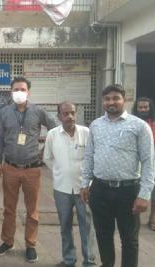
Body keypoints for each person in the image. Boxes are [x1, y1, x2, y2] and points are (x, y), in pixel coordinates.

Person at [81, 84, 155, 267]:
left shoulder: (139, 126)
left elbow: (148, 162)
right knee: (103, 235)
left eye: (115, 98)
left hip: (128, 191)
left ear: (124, 100)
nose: (111, 102)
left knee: (129, 239)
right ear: (103, 102)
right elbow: (89, 156)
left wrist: (144, 195)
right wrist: (85, 183)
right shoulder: (96, 125)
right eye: (107, 99)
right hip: (99, 190)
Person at [0, 76, 56, 263]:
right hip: (10, 167)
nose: (19, 92)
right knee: (9, 209)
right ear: (11, 92)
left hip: (32, 169)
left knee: (32, 210)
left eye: (22, 89)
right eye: (16, 89)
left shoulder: (38, 111)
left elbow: (54, 130)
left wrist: (45, 152)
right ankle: (7, 241)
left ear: (28, 91)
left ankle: (30, 244)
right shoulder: (5, 112)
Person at [43, 101, 97, 267]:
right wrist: (60, 172)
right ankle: (69, 260)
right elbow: (47, 158)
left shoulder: (87, 132)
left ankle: (89, 261)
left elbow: (94, 157)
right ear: (59, 116)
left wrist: (88, 182)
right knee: (65, 225)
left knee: (87, 227)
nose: (70, 117)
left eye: (72, 113)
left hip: (84, 188)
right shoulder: (52, 134)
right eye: (65, 114)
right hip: (62, 189)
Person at [132, 97, 155, 231]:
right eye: (140, 107)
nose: (143, 110)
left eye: (145, 107)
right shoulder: (132, 121)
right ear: (136, 109)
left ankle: (152, 218)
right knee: (135, 190)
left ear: (150, 108)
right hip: (135, 162)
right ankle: (135, 217)